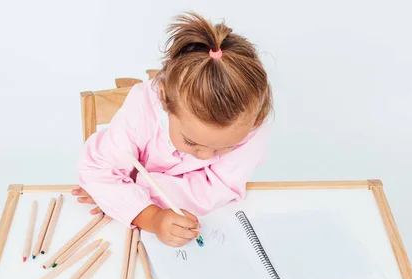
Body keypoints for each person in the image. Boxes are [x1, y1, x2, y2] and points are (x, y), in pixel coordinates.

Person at [74, 12, 272, 247]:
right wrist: (150, 217)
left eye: (226, 147)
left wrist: (125, 196)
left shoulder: (251, 126)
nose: (207, 156)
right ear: (165, 103)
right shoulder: (143, 106)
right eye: (191, 142)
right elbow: (98, 169)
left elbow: (217, 190)